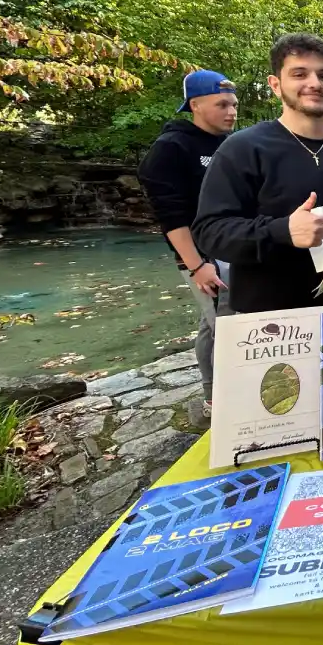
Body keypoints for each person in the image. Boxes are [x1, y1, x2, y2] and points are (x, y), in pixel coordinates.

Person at [193, 33, 323, 313]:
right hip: (267, 322)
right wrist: (283, 231)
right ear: (276, 85)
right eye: (299, 73)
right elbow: (209, 232)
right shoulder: (243, 149)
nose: (314, 83)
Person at [137, 70, 237, 412]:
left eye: (234, 104)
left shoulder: (231, 144)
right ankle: (217, 401)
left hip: (237, 249)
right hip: (202, 257)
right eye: (222, 104)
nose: (231, 111)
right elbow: (170, 216)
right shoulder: (171, 147)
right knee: (224, 328)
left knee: (218, 323)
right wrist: (195, 265)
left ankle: (222, 391)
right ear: (195, 105)